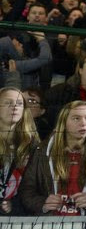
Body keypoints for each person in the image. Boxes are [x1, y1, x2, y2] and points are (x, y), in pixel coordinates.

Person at [20, 101, 86, 216]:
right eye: (76, 118)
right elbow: (27, 191)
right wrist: (43, 203)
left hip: (84, 226)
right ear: (64, 122)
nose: (83, 123)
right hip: (47, 225)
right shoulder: (42, 151)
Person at [0, 87, 40, 215]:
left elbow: (35, 185)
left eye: (19, 104)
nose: (15, 107)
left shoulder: (32, 144)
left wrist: (15, 203)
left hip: (16, 213)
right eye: (8, 103)